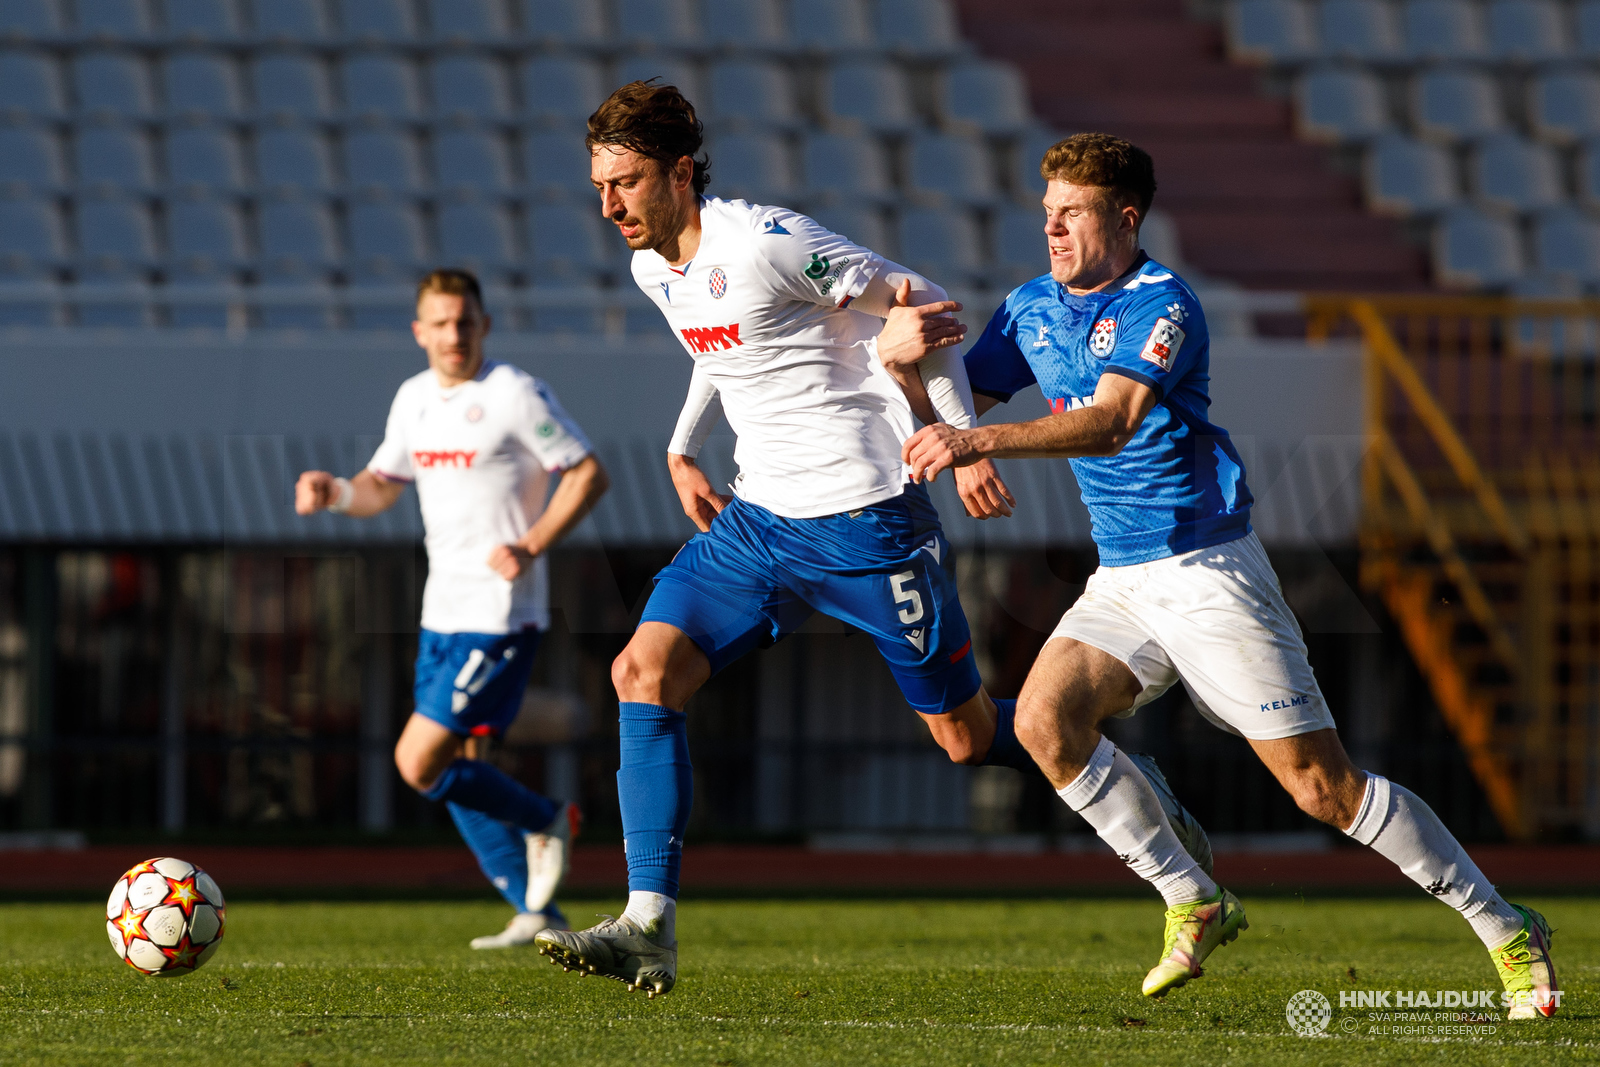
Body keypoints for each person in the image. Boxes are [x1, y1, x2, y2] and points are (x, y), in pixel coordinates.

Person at [533, 82, 1211, 999]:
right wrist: (683, 442)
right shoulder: (654, 265)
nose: (609, 205)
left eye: (627, 182)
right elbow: (720, 351)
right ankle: (649, 925)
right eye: (600, 185)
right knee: (641, 672)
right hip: (758, 522)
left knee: (966, 741)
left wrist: (962, 442)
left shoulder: (768, 241)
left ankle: (1100, 752)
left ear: (682, 173)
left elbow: (920, 301)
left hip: (868, 518)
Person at [896, 133, 1559, 1016]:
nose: (1051, 227)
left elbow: (1112, 420)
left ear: (1125, 218)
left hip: (1209, 570)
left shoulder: (1163, 304)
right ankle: (1193, 896)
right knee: (1048, 722)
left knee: (1324, 790)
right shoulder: (1030, 307)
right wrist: (906, 370)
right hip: (1124, 575)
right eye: (1046, 210)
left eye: (1073, 212)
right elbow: (956, 406)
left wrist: (975, 444)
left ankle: (1507, 929)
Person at [295, 269, 610, 949]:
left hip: (501, 615)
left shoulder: (513, 394)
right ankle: (535, 908)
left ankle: (546, 817)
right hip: (440, 613)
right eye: (439, 323)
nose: (453, 335)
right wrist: (336, 492)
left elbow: (588, 472)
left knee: (417, 759)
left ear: (484, 325)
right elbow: (381, 486)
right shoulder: (413, 400)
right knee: (450, 765)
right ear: (419, 332)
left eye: (465, 321)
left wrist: (530, 544)